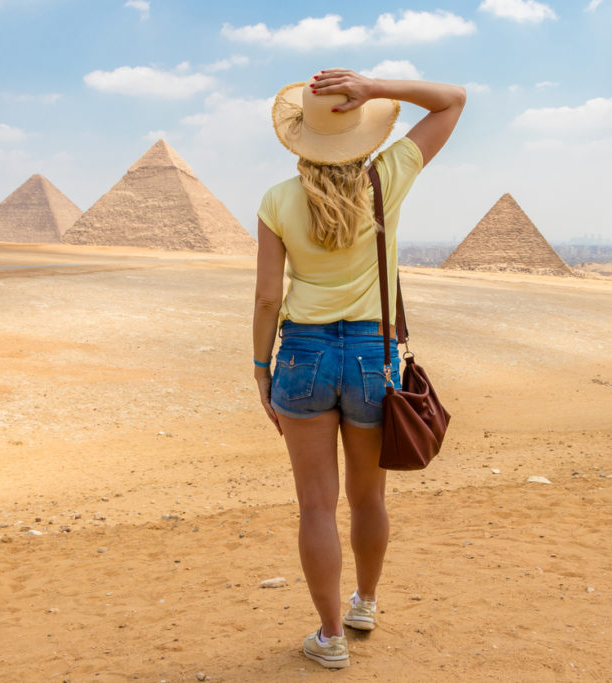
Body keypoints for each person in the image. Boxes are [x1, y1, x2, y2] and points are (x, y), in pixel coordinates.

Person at [253, 68, 465, 669]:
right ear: (361, 132)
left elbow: (269, 296)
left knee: (315, 507)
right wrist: (375, 86)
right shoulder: (388, 177)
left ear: (302, 139)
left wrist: (259, 365)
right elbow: (453, 100)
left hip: (302, 354)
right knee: (368, 499)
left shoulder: (276, 200)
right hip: (374, 355)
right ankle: (365, 603)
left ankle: (330, 637)